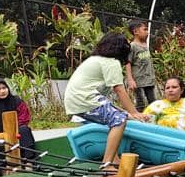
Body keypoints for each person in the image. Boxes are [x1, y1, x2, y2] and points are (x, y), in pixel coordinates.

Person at [63, 33, 149, 168]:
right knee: (119, 121)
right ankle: (107, 163)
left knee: (117, 117)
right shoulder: (111, 62)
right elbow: (119, 90)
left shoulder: (96, 59)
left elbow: (105, 104)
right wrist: (134, 112)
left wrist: (128, 113)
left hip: (76, 100)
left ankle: (114, 159)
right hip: (85, 99)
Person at [0, 78, 38, 167]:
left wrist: (12, 131)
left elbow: (24, 117)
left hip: (17, 132)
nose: (2, 91)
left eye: (4, 88)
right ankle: (4, 169)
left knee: (24, 130)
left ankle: (29, 163)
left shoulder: (17, 101)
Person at [125, 21, 156, 110]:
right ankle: (137, 120)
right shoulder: (132, 46)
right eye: (145, 29)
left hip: (149, 80)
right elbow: (127, 63)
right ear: (136, 32)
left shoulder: (145, 45)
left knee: (152, 101)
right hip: (138, 81)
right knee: (140, 102)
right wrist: (130, 80)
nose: (147, 32)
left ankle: (153, 120)